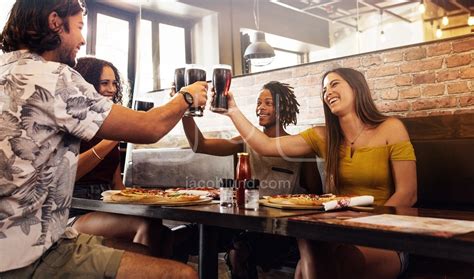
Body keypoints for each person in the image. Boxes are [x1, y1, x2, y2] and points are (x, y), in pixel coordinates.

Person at [0, 1, 206, 278]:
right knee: (183, 274)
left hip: (30, 239)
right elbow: (150, 127)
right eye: (80, 27)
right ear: (54, 22)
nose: (83, 40)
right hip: (26, 253)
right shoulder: (54, 76)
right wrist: (187, 96)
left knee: (145, 253)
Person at [221, 68, 417, 279]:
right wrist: (232, 110)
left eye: (334, 84)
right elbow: (265, 145)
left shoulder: (391, 128)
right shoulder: (322, 136)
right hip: (337, 232)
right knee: (308, 238)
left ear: (356, 87)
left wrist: (364, 227)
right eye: (324, 89)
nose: (328, 92)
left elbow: (408, 194)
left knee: (312, 267)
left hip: (385, 237)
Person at [182, 81, 322, 278]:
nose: (260, 108)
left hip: (277, 230)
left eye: (268, 103)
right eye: (258, 103)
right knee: (180, 238)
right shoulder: (245, 141)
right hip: (240, 222)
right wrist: (184, 110)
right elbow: (200, 145)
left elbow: (317, 195)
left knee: (240, 252)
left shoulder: (300, 149)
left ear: (283, 108)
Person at [70, 56, 170, 258]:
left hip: (105, 202)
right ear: (87, 84)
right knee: (144, 225)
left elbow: (116, 183)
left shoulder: (109, 126)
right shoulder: (73, 123)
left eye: (114, 83)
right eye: (104, 83)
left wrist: (144, 199)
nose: (112, 89)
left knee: (162, 231)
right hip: (74, 209)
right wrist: (115, 138)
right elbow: (70, 172)